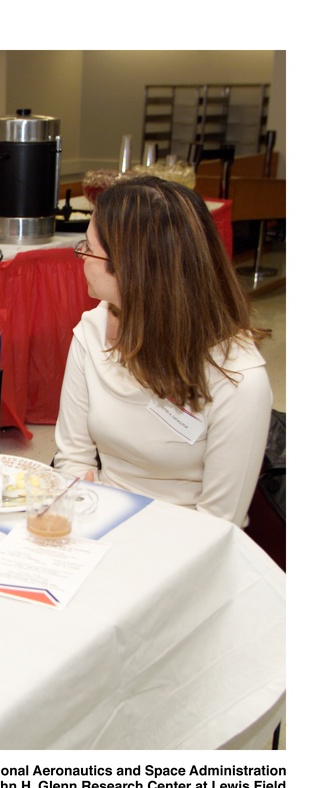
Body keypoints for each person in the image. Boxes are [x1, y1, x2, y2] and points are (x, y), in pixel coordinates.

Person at [53, 175, 272, 527]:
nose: (81, 256)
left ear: (134, 268)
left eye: (89, 247)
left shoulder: (238, 379)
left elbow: (219, 524)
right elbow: (73, 458)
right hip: (99, 519)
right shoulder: (91, 332)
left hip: (187, 541)